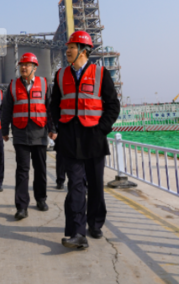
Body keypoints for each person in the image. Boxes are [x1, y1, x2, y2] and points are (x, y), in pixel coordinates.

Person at [49, 31, 120, 250]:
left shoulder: (100, 74)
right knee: (75, 185)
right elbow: (54, 105)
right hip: (70, 138)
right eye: (67, 47)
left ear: (83, 50)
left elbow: (113, 105)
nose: (67, 51)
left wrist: (101, 129)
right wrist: (58, 128)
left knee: (96, 185)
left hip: (94, 138)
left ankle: (95, 222)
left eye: (71, 47)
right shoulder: (61, 75)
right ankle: (77, 233)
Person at [0, 53, 56, 220]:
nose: (23, 67)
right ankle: (21, 206)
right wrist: (4, 130)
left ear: (35, 67)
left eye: (27, 65)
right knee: (22, 171)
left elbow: (50, 109)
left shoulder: (44, 84)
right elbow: (6, 110)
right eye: (21, 65)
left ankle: (41, 199)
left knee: (40, 169)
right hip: (20, 133)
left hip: (40, 133)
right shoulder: (13, 86)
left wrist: (53, 129)